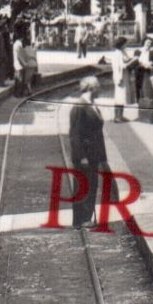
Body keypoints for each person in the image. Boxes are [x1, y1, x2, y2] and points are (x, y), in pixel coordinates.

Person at [67, 76, 108, 228]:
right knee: (83, 186)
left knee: (92, 185)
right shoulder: (80, 107)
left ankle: (87, 217)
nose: (100, 89)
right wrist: (81, 156)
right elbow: (75, 135)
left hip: (93, 154)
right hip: (84, 156)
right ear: (91, 88)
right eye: (98, 87)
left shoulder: (91, 104)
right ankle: (81, 219)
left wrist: (102, 156)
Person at [109, 37, 130, 122]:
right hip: (119, 77)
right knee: (119, 97)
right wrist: (130, 63)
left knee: (122, 96)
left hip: (123, 76)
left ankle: (120, 115)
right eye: (125, 44)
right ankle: (117, 116)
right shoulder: (117, 54)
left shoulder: (122, 52)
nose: (126, 45)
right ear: (121, 44)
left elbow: (126, 59)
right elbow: (119, 67)